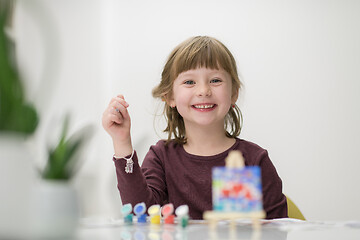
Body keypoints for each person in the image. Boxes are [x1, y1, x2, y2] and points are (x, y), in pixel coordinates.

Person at [102, 36, 288, 220]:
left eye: (215, 80)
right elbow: (139, 214)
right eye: (190, 82)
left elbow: (276, 230)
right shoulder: (161, 157)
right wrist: (122, 142)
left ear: (234, 93)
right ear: (169, 97)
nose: (203, 91)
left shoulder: (254, 160)